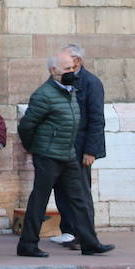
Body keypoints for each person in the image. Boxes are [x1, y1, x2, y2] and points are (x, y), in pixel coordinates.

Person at [16, 51, 115, 258]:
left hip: (68, 153)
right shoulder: (44, 95)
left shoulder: (69, 91)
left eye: (72, 68)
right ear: (53, 71)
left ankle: (89, 242)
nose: (71, 72)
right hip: (48, 155)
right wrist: (34, 147)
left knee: (79, 199)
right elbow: (26, 126)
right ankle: (28, 244)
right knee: (40, 200)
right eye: (67, 69)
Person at [52, 42, 106, 249]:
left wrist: (91, 151)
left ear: (77, 61)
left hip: (81, 147)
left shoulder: (91, 83)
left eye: (65, 61)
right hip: (62, 146)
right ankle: (69, 231)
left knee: (80, 192)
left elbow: (96, 119)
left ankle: (84, 234)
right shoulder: (62, 80)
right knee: (62, 189)